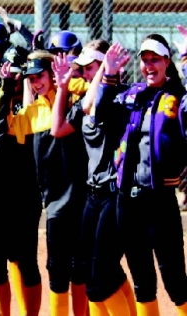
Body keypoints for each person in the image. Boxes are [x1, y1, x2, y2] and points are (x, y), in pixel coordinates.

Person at [93, 28, 187, 315]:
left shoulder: (178, 98)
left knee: (175, 281)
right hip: (128, 200)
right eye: (144, 59)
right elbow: (101, 113)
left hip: (160, 200)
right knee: (142, 281)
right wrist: (108, 76)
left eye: (155, 60)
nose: (149, 66)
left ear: (167, 62)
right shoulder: (131, 95)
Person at [0, 47, 90, 315]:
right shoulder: (31, 114)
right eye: (31, 79)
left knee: (81, 269)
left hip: (83, 198)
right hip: (55, 204)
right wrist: (5, 88)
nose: (35, 83)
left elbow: (91, 90)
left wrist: (66, 80)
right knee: (57, 270)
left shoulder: (72, 97)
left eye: (39, 76)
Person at [50, 44, 136, 315]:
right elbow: (58, 128)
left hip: (116, 195)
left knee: (100, 280)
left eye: (89, 68)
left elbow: (97, 106)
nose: (85, 74)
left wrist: (105, 75)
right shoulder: (85, 101)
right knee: (92, 273)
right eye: (83, 69)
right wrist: (62, 87)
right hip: (93, 195)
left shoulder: (123, 98)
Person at [0, 46, 44, 316]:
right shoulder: (1, 96)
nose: (16, 74)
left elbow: (27, 127)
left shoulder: (34, 103)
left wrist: (24, 80)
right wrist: (5, 85)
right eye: (9, 69)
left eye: (22, 72)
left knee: (26, 261)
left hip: (25, 194)